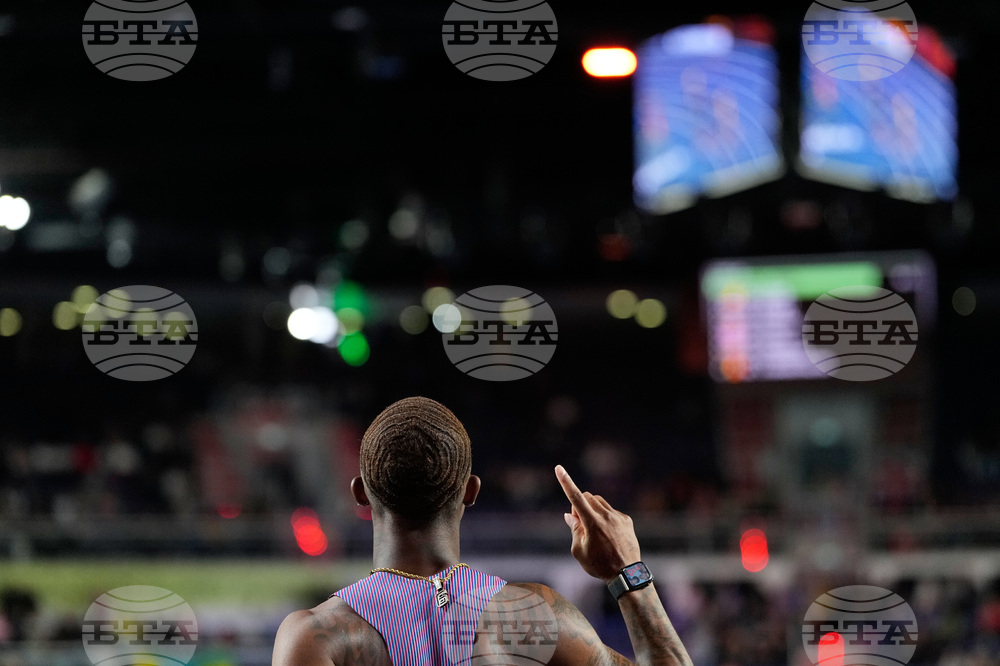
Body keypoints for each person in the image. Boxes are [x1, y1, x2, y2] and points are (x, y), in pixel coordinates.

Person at [272, 396, 692, 666]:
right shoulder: (533, 617)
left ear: (361, 493)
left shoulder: (317, 638)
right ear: (471, 492)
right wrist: (628, 572)